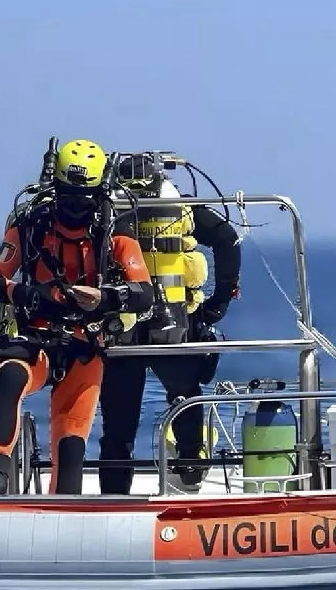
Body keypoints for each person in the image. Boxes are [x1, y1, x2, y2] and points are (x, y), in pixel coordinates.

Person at [0, 138, 153, 498]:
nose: (73, 208)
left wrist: (103, 298)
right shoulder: (31, 226)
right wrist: (21, 293)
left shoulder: (114, 233)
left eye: (82, 199)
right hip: (34, 336)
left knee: (71, 443)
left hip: (84, 343)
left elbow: (144, 292)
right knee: (9, 380)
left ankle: (64, 506)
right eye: (66, 196)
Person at [97, 152, 241, 494]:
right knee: (185, 397)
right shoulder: (183, 209)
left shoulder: (107, 208)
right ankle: (191, 470)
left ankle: (114, 495)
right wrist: (219, 302)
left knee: (118, 425)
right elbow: (227, 239)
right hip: (174, 323)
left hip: (122, 329)